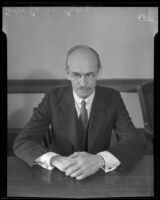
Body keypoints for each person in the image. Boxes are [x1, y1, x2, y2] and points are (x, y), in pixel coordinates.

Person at [13, 45, 146, 180]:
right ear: (67, 73)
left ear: (99, 72)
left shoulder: (113, 98)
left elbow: (134, 141)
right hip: (59, 176)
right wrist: (56, 159)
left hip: (99, 176)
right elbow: (22, 142)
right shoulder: (52, 98)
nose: (83, 83)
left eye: (89, 74)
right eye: (76, 75)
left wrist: (99, 159)